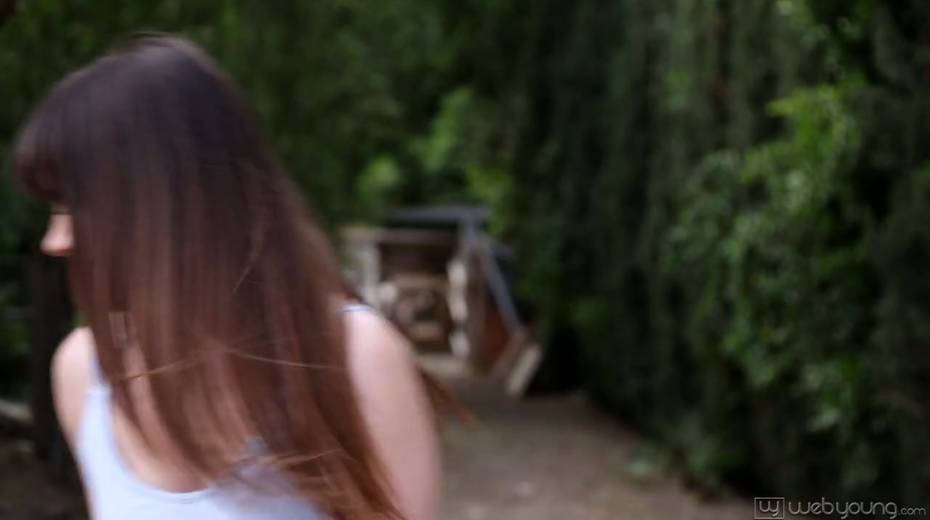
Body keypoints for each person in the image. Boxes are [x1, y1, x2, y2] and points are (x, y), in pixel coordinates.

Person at [12, 34, 440, 520]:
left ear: (166, 202)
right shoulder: (84, 373)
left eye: (75, 205)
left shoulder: (354, 355)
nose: (55, 240)